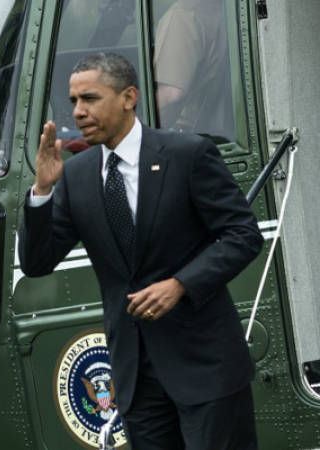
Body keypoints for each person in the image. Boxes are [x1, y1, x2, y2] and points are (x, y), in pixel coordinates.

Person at [19, 52, 263, 449]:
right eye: (74, 102)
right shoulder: (76, 175)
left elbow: (243, 234)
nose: (79, 112)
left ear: (129, 97)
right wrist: (43, 191)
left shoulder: (187, 155)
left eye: (91, 99)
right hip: (136, 377)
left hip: (206, 367)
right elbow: (35, 262)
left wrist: (181, 284)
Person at [153, 0, 234, 141]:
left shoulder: (182, 15)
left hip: (185, 137)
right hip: (220, 131)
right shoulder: (222, 8)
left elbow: (171, 94)